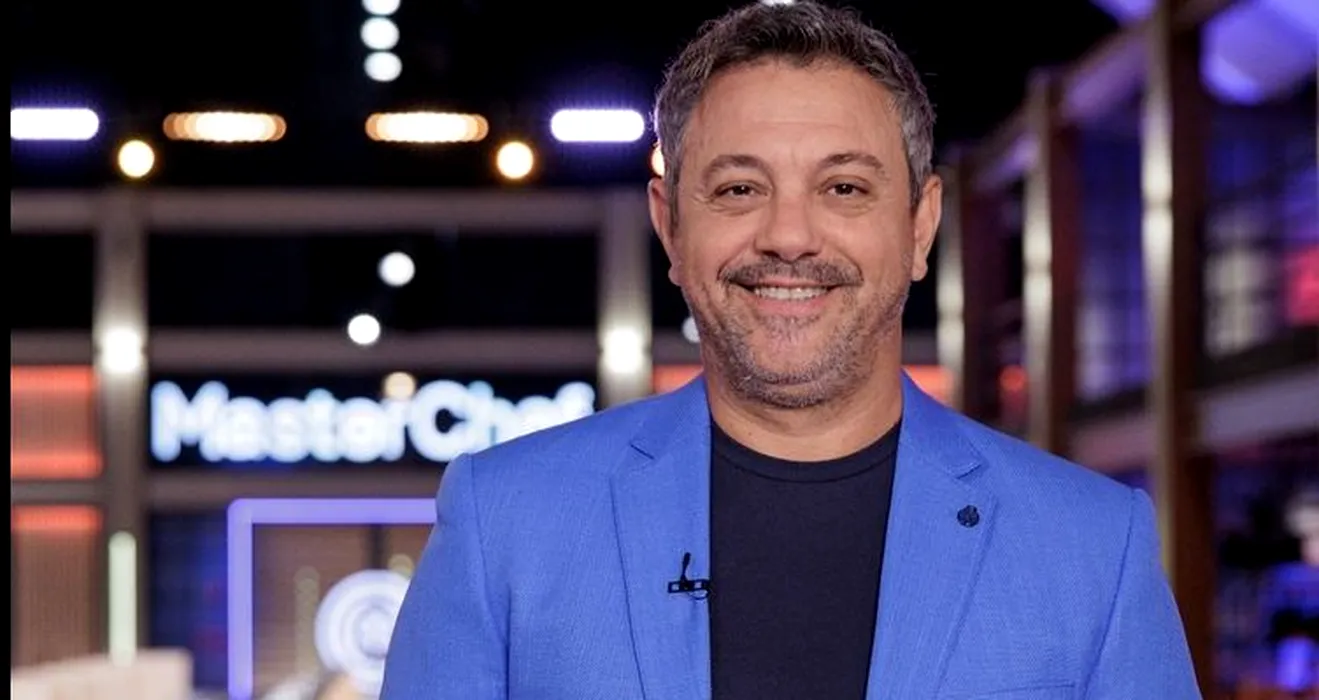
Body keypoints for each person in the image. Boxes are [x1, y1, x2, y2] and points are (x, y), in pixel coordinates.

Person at [381, 2, 1201, 698]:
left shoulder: (1094, 548)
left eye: (843, 188)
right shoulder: (503, 524)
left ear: (919, 225)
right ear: (670, 225)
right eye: (739, 189)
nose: (788, 237)